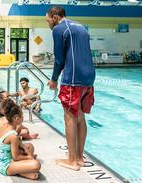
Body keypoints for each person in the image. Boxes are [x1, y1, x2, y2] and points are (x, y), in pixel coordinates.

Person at [46, 6, 96, 171]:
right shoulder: (81, 27)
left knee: (70, 118)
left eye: (48, 20)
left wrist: (53, 79)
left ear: (55, 16)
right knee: (80, 117)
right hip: (88, 78)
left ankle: (72, 161)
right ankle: (80, 157)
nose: (48, 23)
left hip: (73, 79)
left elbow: (59, 59)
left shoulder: (60, 29)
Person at [0, 98, 41, 180]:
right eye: (22, 116)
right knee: (36, 164)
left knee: (30, 146)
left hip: (8, 155)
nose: (23, 118)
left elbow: (20, 143)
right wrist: (30, 157)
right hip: (5, 165)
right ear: (16, 118)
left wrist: (28, 152)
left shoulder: (7, 125)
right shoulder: (13, 135)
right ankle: (19, 171)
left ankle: (22, 169)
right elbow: (16, 157)